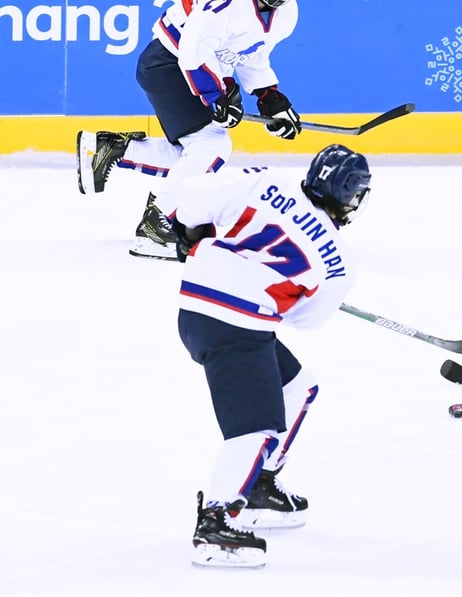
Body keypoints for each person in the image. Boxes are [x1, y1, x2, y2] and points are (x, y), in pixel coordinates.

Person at [173, 144, 371, 568]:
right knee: (256, 429)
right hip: (237, 327)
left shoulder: (266, 179)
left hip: (196, 310)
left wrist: (190, 233)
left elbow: (190, 195)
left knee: (299, 386)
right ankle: (216, 523)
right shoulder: (340, 263)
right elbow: (305, 321)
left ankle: (260, 482)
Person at [76, 0, 302, 260]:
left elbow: (249, 52)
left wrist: (268, 96)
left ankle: (111, 150)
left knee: (197, 155)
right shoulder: (226, 4)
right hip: (169, 63)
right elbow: (193, 51)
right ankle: (156, 226)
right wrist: (215, 95)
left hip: (192, 68)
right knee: (211, 146)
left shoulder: (287, 13)